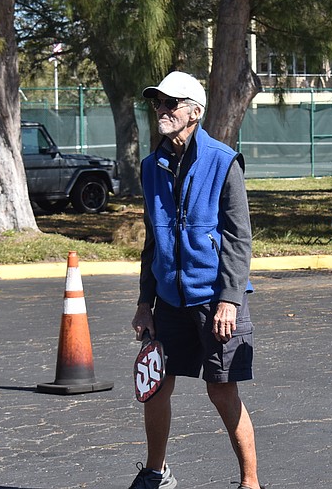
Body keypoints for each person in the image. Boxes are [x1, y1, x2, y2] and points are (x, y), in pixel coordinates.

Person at [129, 71, 262, 489]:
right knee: (156, 386)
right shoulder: (151, 166)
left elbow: (239, 239)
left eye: (172, 103)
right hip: (168, 300)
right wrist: (144, 301)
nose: (163, 111)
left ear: (195, 112)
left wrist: (229, 298)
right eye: (158, 104)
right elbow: (154, 239)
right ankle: (156, 473)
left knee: (221, 392)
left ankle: (250, 482)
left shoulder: (224, 161)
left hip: (213, 301)